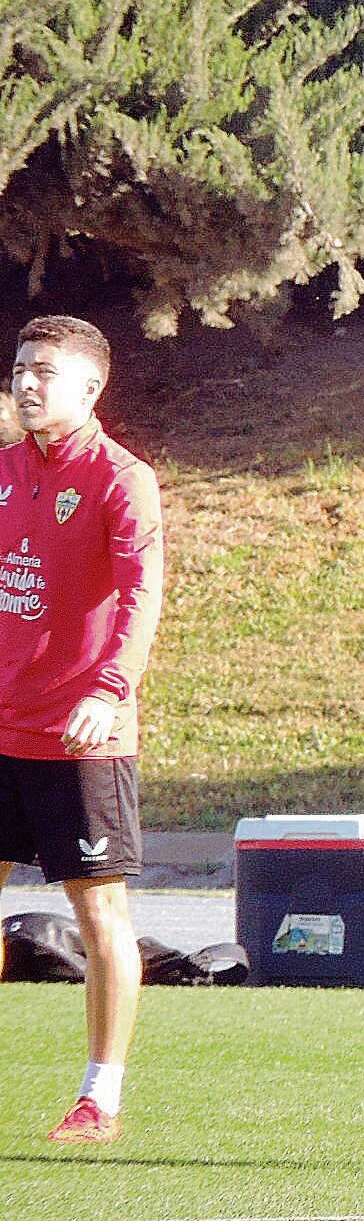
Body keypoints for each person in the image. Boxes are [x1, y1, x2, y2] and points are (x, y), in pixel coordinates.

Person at [0, 316, 165, 1145]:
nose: (27, 384)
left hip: (79, 736)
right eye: (21, 368)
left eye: (45, 372)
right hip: (2, 725)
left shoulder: (121, 480)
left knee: (99, 912)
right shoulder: (1, 474)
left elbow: (142, 598)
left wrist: (110, 688)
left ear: (91, 388)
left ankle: (100, 1096)